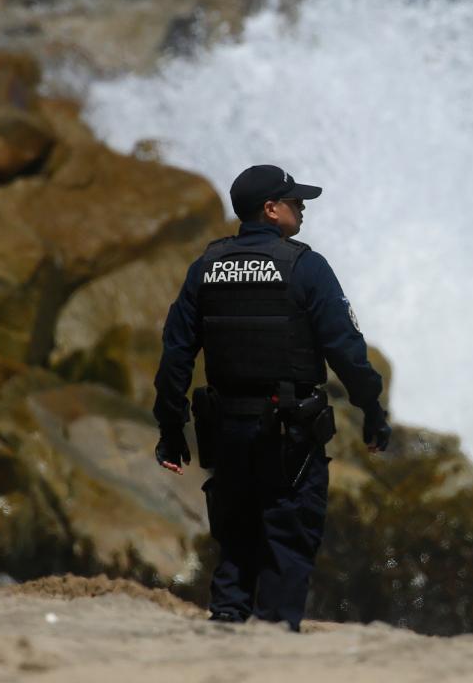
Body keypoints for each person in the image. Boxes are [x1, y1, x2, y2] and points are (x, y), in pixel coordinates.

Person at [151, 163, 391, 630]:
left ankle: (225, 621)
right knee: (289, 536)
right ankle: (276, 636)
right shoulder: (305, 267)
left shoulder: (206, 267)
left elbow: (176, 354)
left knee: (236, 536)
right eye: (295, 201)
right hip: (289, 433)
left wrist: (170, 429)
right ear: (271, 209)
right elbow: (347, 352)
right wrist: (373, 411)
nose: (301, 208)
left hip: (226, 431)